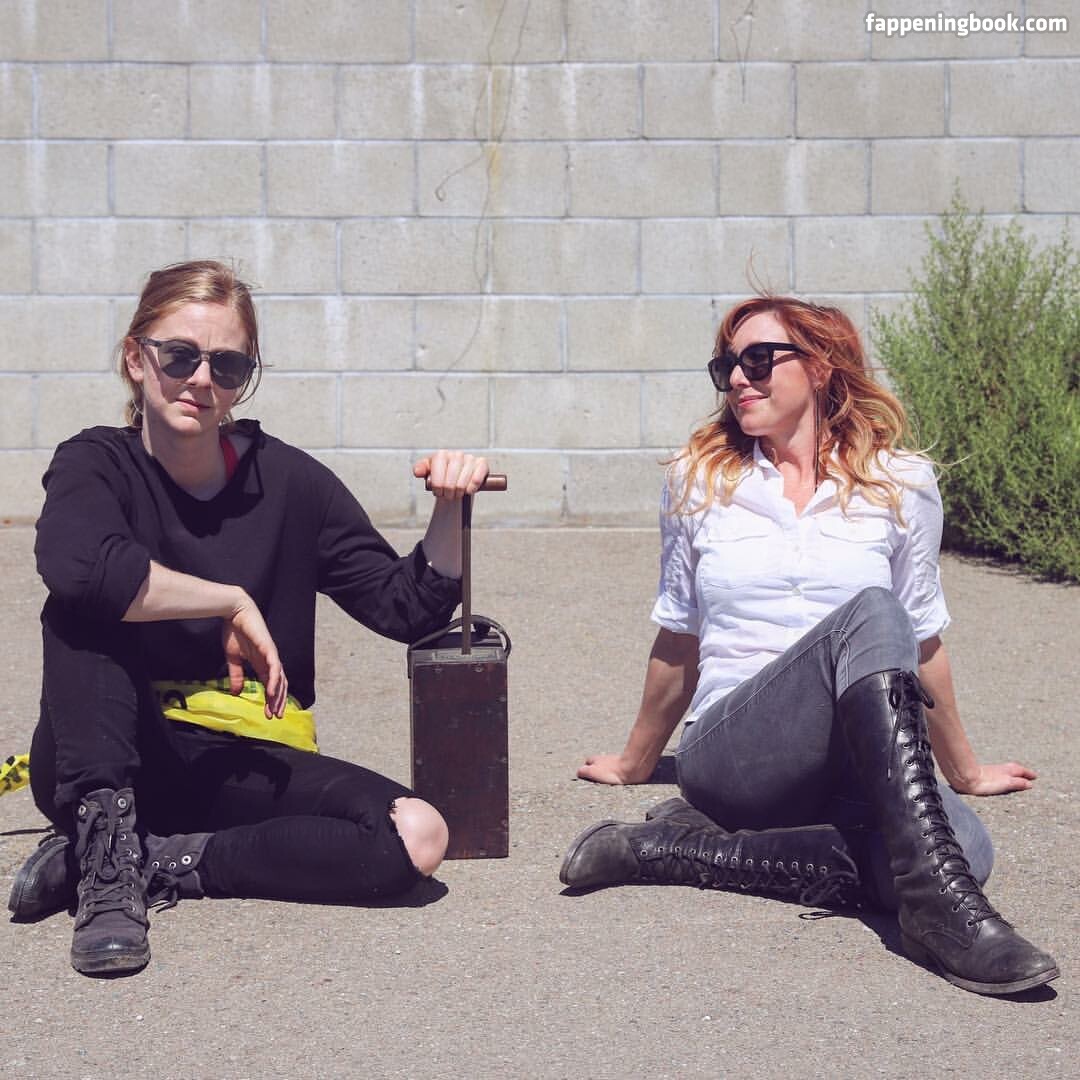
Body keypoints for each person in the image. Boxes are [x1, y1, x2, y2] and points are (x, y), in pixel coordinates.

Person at [560, 296, 1059, 997]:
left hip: (851, 757)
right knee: (872, 611)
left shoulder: (902, 484)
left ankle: (676, 849)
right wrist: (636, 761)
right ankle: (940, 916)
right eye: (727, 366)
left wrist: (965, 772)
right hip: (733, 754)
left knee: (968, 850)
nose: (739, 378)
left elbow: (922, 640)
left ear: (821, 368)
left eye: (759, 360)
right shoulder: (698, 480)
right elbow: (679, 634)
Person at [8, 260, 489, 976]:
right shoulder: (95, 463)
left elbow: (405, 606)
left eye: (227, 365)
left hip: (235, 757)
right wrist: (228, 598)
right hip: (109, 750)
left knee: (415, 835)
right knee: (84, 609)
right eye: (180, 356)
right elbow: (79, 567)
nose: (202, 380)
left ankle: (161, 860)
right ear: (136, 359)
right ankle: (105, 857)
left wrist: (451, 505)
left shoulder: (289, 482)